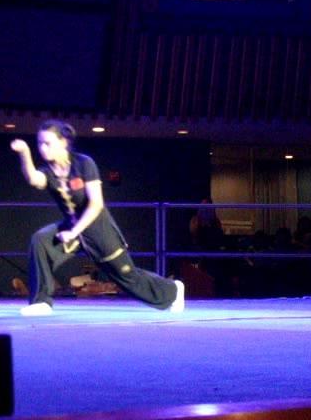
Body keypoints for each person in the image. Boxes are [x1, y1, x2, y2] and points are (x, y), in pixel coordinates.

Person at [10, 120, 185, 316]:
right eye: (40, 143)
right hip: (72, 229)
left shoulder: (84, 164)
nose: (43, 148)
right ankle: (41, 301)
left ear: (64, 142)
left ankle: (173, 290)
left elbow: (96, 205)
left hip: (98, 229)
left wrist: (74, 232)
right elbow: (34, 179)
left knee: (126, 276)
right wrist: (24, 152)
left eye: (48, 143)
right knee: (40, 240)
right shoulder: (49, 172)